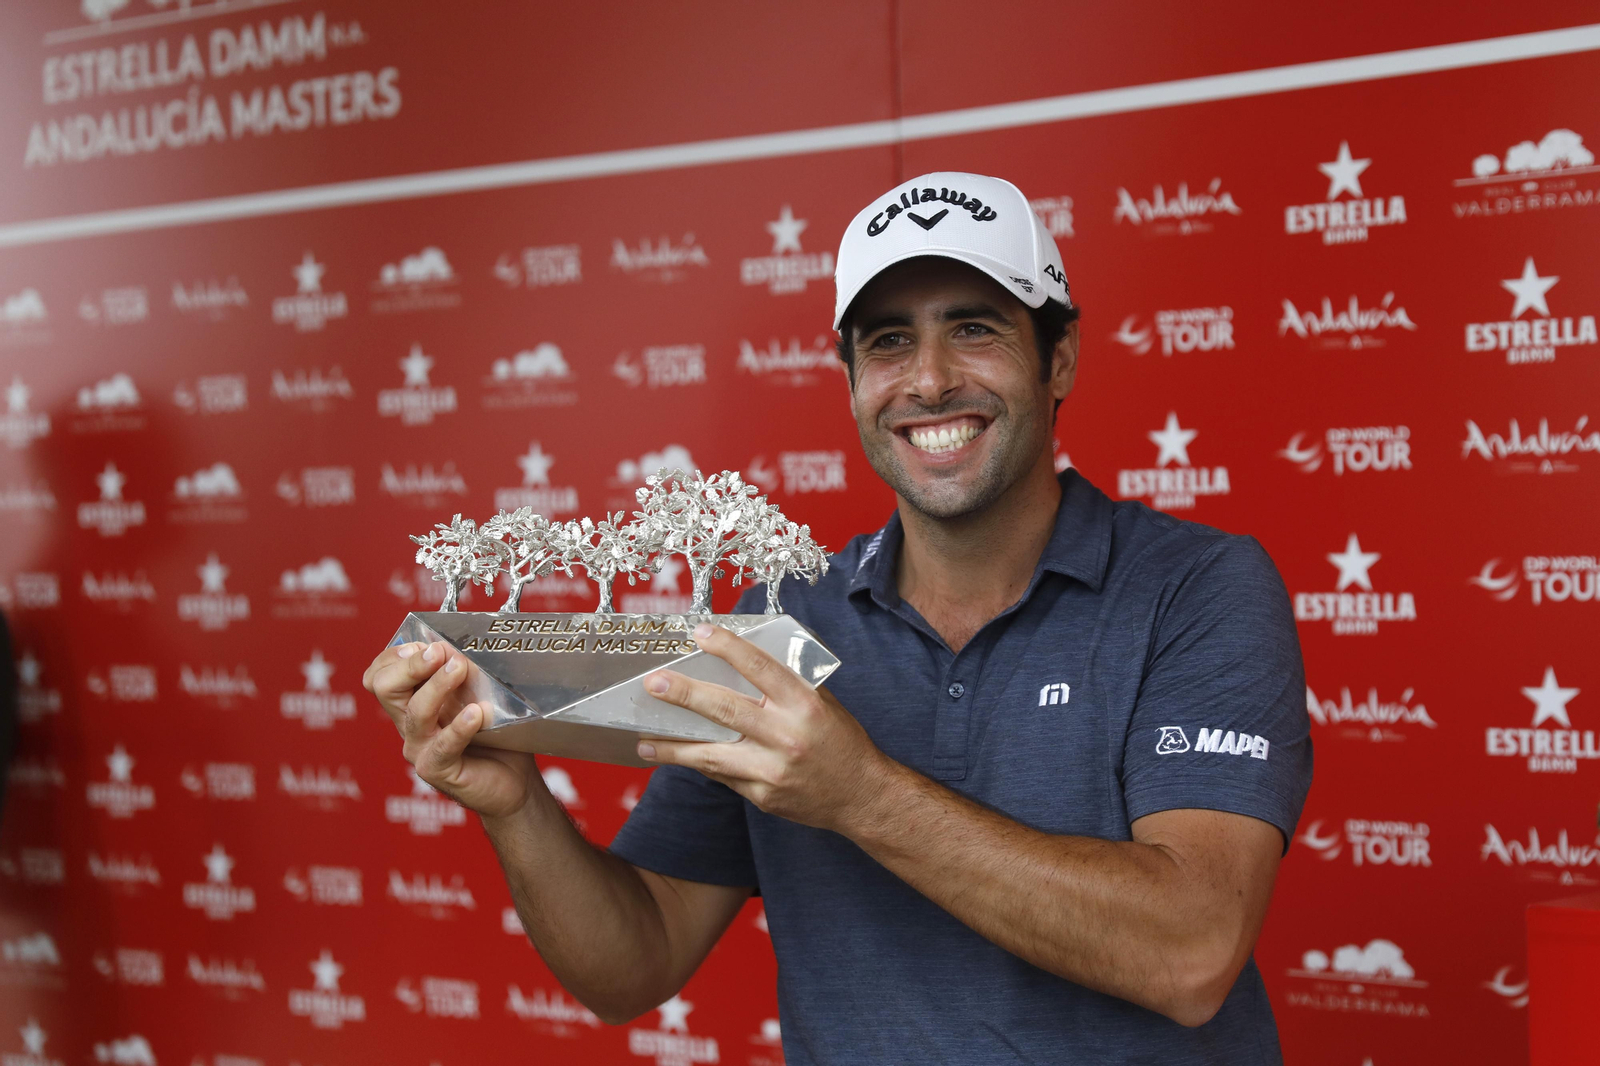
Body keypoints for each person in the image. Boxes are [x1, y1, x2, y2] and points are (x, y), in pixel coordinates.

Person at [364, 171, 1312, 1065]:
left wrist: (857, 793)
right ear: (852, 379)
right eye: (888, 341)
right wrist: (517, 805)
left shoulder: (1200, 588)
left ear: (1058, 358)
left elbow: (1190, 954)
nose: (929, 380)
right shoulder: (783, 620)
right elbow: (634, 963)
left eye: (975, 328)